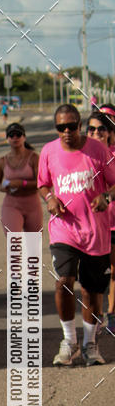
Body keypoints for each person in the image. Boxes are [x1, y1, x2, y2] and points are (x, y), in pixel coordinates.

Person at [37, 104, 115, 366]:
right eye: (61, 127)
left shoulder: (98, 151)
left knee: (92, 292)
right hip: (64, 229)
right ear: (56, 128)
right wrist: (49, 198)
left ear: (80, 126)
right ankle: (68, 341)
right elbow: (43, 184)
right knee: (64, 281)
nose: (67, 131)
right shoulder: (49, 151)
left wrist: (106, 196)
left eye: (72, 126)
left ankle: (90, 344)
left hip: (95, 231)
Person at [89, 109, 115, 331]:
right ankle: (96, 316)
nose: (97, 133)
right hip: (93, 225)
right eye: (92, 129)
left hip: (112, 221)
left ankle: (111, 313)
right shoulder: (83, 153)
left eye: (102, 128)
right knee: (95, 276)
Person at [0, 122, 41, 235]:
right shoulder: (2, 161)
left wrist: (21, 183)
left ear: (24, 137)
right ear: (7, 139)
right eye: (11, 135)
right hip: (11, 205)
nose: (15, 138)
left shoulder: (34, 158)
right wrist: (1, 188)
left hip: (32, 205)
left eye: (18, 135)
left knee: (33, 251)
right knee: (14, 245)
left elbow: (41, 182)